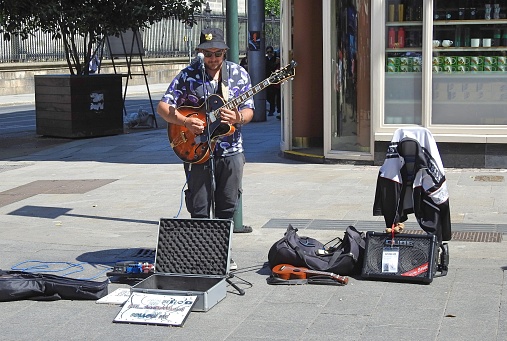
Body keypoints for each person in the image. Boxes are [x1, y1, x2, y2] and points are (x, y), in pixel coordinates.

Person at [157, 28, 255, 268]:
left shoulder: (238, 74)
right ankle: (201, 256)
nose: (213, 59)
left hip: (231, 151)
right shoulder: (188, 75)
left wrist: (238, 117)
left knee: (227, 206)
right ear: (200, 52)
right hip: (198, 152)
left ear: (224, 52)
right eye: (208, 53)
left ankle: (222, 255)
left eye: (218, 53)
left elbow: (250, 110)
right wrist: (185, 121)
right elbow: (163, 107)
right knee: (199, 207)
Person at [265, 46, 280, 116]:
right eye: (268, 52)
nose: (269, 53)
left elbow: (273, 68)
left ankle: (277, 110)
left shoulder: (275, 59)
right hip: (268, 79)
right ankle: (272, 109)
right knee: (270, 96)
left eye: (270, 52)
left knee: (277, 95)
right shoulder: (265, 59)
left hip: (275, 79)